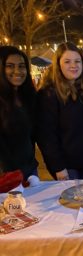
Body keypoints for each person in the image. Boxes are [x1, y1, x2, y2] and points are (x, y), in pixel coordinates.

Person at [37, 42, 83, 180]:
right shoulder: (48, 94)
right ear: (58, 65)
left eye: (77, 61)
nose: (74, 65)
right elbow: (46, 136)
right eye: (67, 61)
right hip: (66, 166)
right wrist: (58, 167)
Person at [0, 46, 38, 180]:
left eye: (22, 66)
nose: (17, 71)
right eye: (10, 66)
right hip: (5, 175)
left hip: (30, 169)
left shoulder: (29, 97)